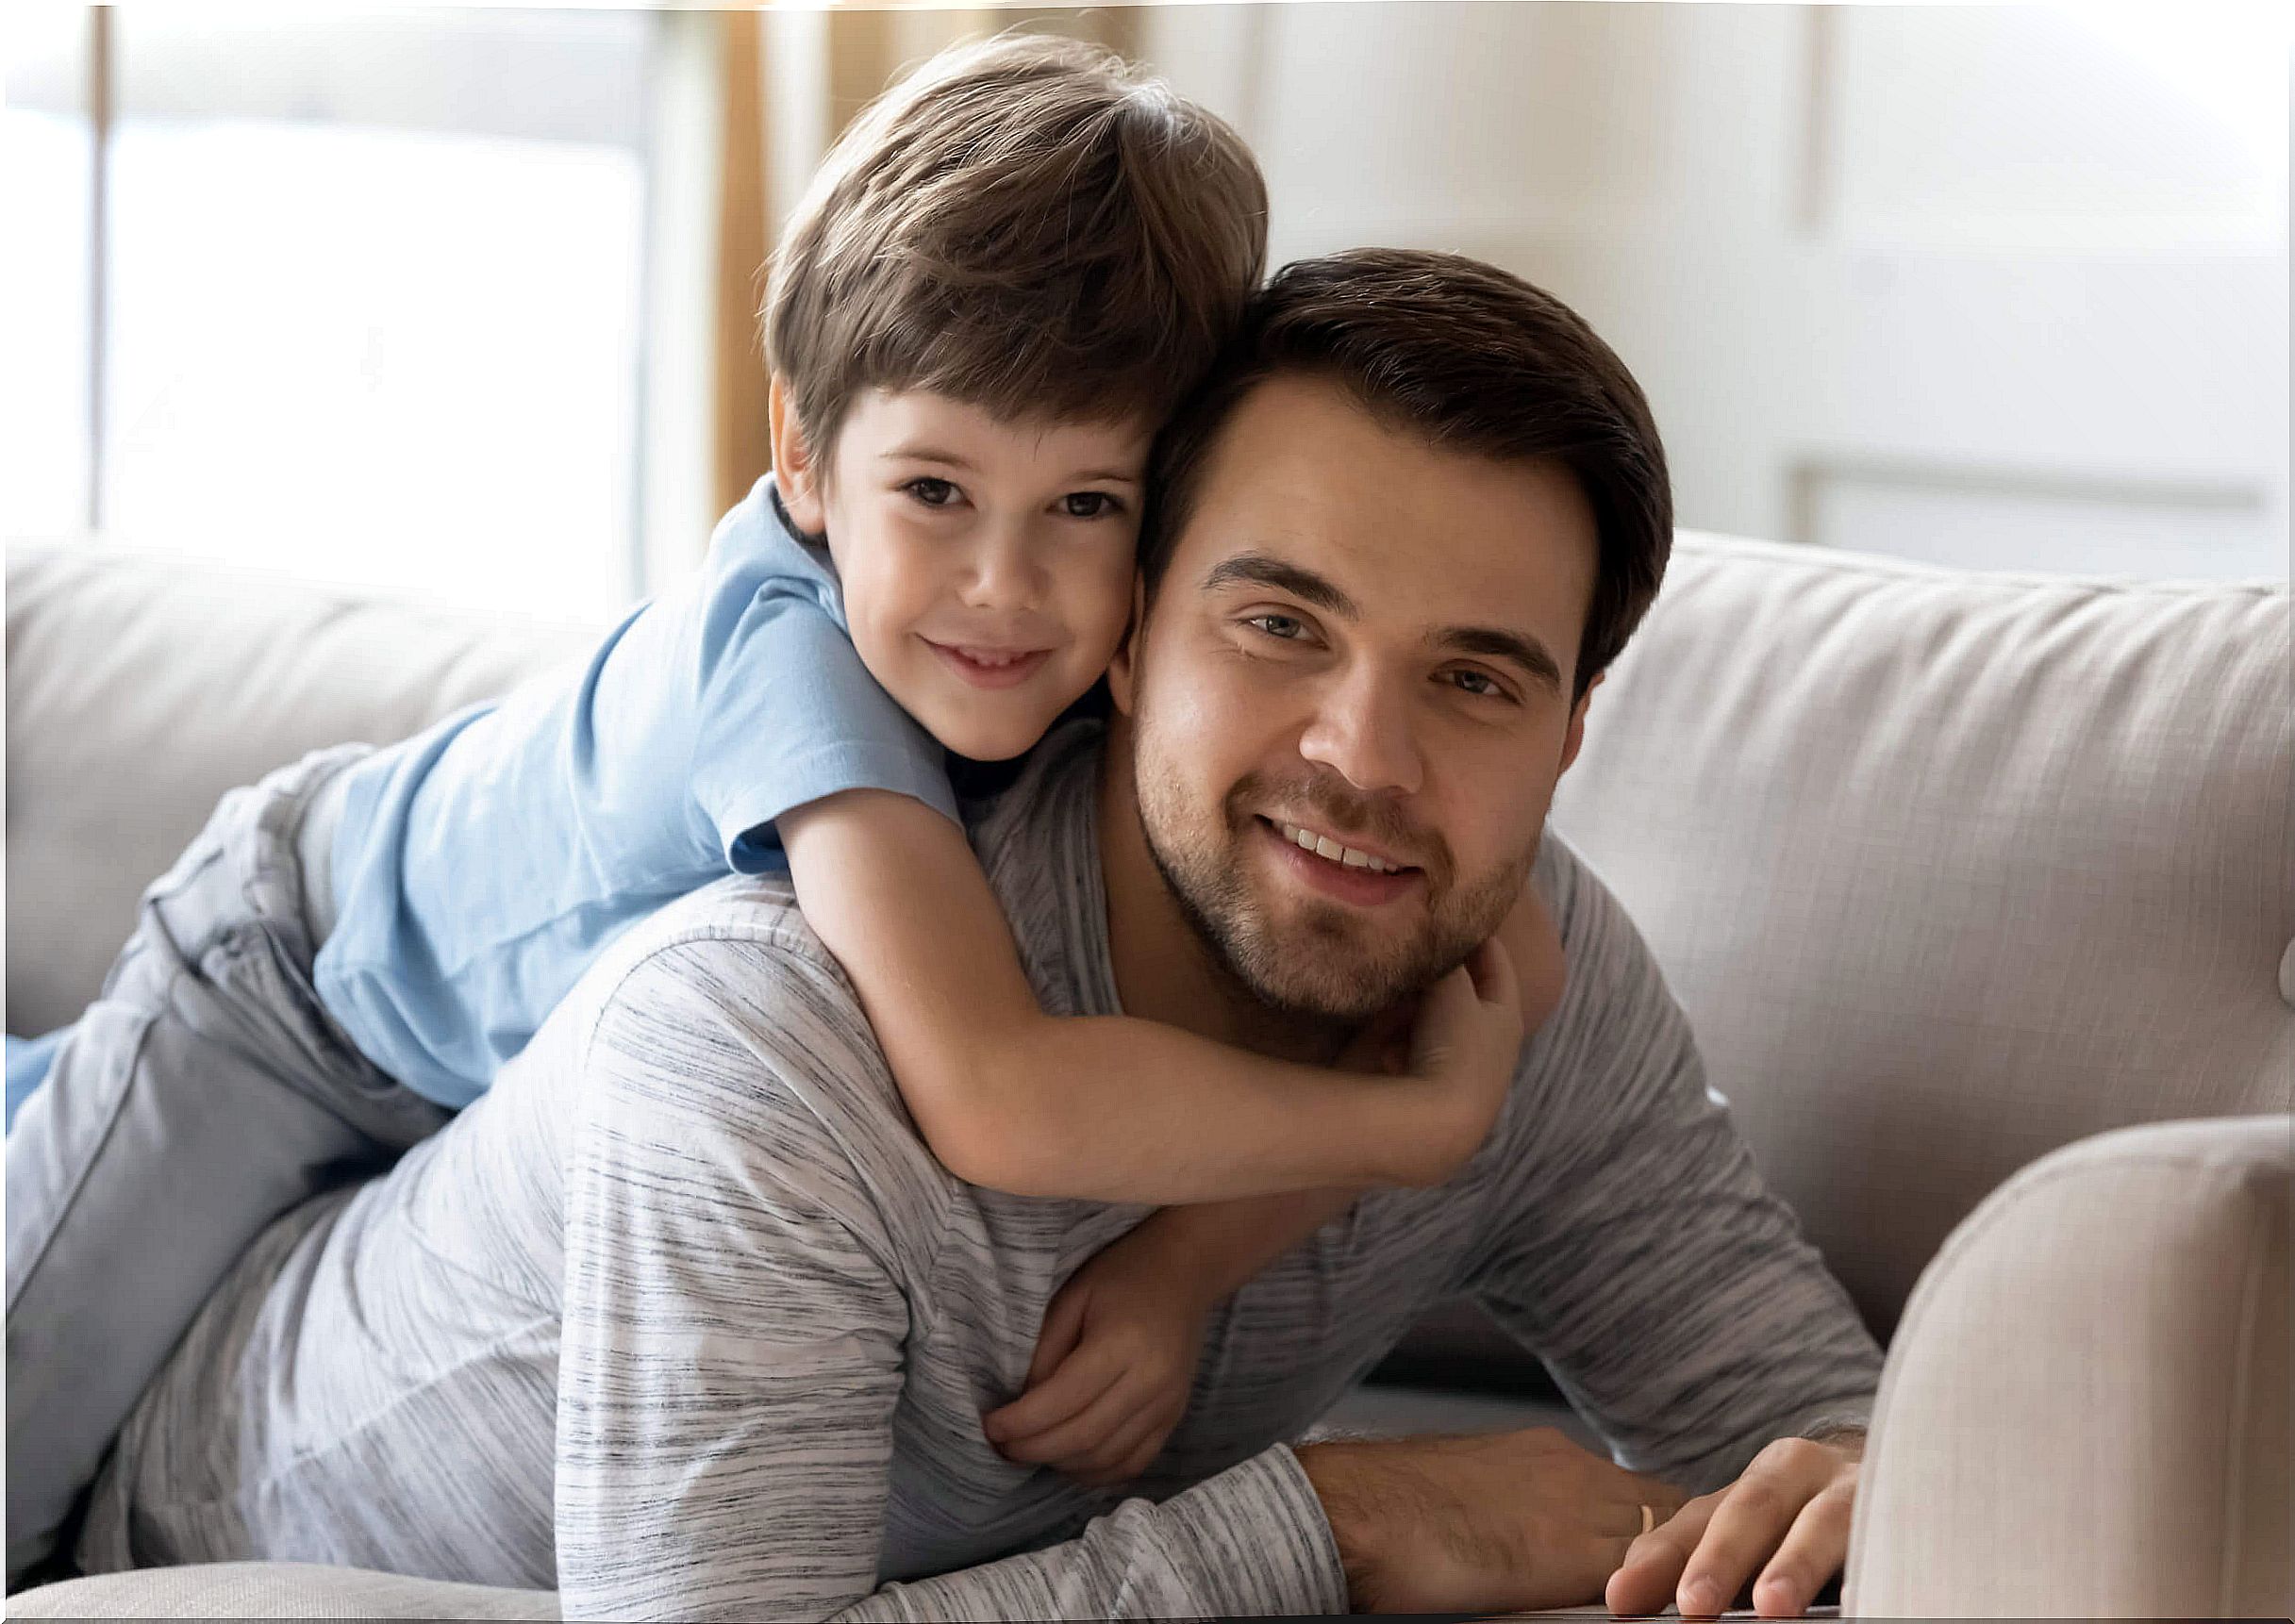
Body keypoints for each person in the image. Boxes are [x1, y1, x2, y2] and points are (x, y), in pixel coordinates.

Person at [72, 249, 1887, 1621]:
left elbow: (1826, 1441)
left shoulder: (1526, 984)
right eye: (1277, 626)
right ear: (1122, 634)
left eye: (1475, 679)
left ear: (1569, 730)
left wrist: (1877, 1486)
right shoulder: (773, 1039)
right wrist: (1343, 1523)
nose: (1363, 759)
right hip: (146, 1522)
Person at [3, 35, 1563, 1586]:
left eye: (1086, 505)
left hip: (470, 1095)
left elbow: (1509, 924)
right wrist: (1414, 1124)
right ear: (802, 457)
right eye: (933, 490)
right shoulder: (792, 670)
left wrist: (1182, 1263)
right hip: (278, 992)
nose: (1003, 587)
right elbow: (996, 1091)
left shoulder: (1078, 655)